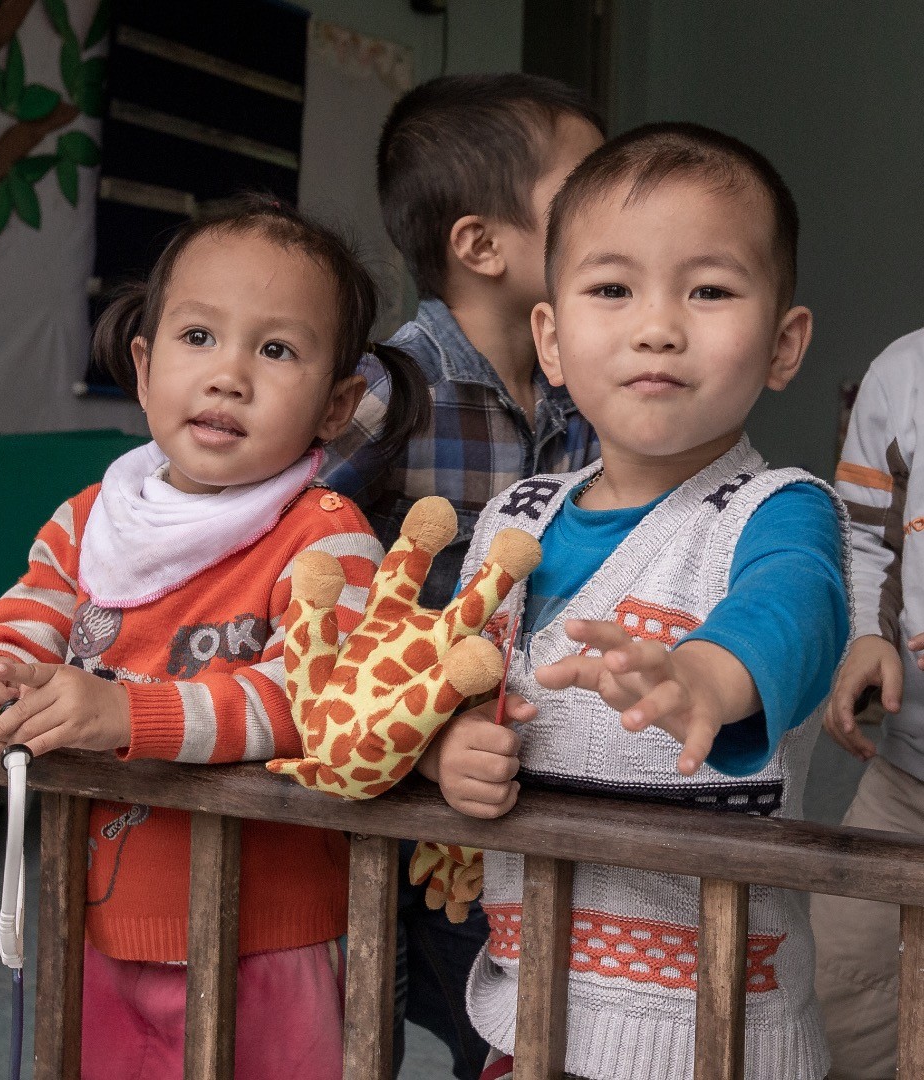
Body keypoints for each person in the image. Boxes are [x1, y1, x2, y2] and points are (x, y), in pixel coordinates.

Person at [0, 195, 429, 1080]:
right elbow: (25, 618)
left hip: (268, 939)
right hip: (96, 923)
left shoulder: (326, 538)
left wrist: (127, 715)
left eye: (276, 350)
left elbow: (313, 702)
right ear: (143, 366)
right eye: (198, 337)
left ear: (337, 404)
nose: (228, 375)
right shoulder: (92, 519)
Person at [420, 123, 851, 1080]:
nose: (658, 325)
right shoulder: (512, 520)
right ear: (551, 339)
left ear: (783, 344)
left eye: (710, 290)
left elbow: (798, 607)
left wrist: (706, 675)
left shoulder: (777, 512)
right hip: (524, 1017)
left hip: (717, 1037)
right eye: (613, 289)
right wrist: (446, 749)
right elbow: (441, 684)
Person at [319, 72, 604, 1080]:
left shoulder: (586, 390)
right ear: (481, 245)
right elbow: (298, 566)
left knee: (518, 1028)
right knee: (370, 1024)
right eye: (584, 190)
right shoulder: (388, 391)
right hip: (396, 783)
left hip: (517, 780)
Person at [811, 327, 924, 1080]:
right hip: (907, 783)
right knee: (847, 988)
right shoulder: (906, 371)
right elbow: (866, 539)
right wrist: (865, 636)